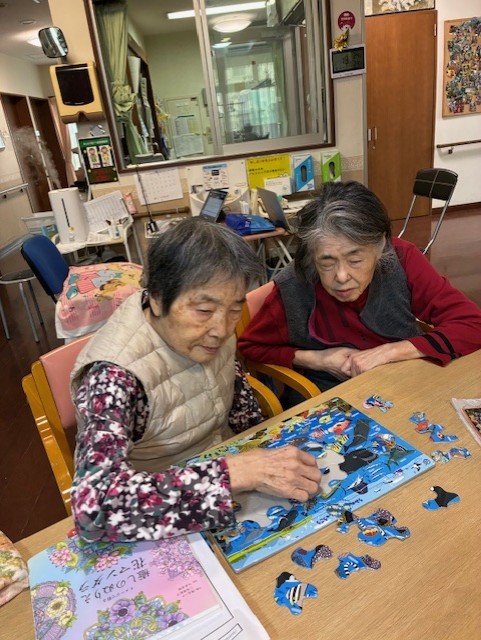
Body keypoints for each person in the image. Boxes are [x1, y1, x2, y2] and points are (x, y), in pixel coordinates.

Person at [70, 218, 321, 542]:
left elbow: (239, 406)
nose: (222, 329)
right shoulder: (114, 376)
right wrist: (233, 474)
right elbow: (93, 511)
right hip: (163, 514)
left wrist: (265, 455)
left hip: (228, 480)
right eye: (204, 310)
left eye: (235, 309)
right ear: (157, 297)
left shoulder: (210, 333)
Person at [238, 181, 481, 396]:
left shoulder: (402, 258)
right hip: (328, 395)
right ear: (312, 257)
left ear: (381, 248)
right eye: (327, 262)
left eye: (355, 260)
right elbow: (251, 347)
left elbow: (473, 324)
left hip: (404, 381)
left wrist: (390, 352)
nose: (342, 277)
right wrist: (319, 359)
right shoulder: (294, 284)